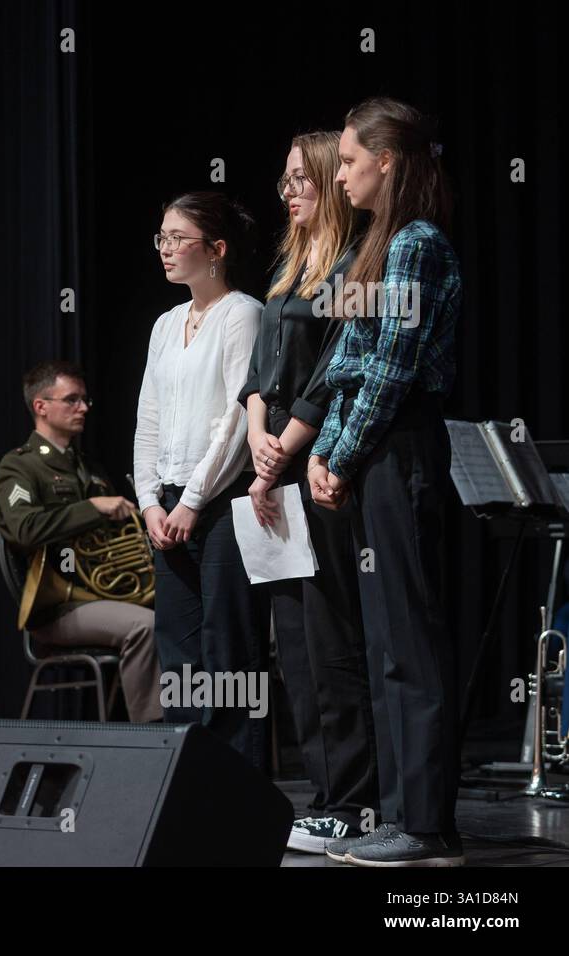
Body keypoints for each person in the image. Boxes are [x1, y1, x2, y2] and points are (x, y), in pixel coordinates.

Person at [308, 98, 463, 866]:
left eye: (348, 160)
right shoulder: (380, 244)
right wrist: (325, 451)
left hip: (399, 447)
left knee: (408, 640)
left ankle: (427, 826)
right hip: (372, 448)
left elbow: (393, 369)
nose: (340, 175)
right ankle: (401, 815)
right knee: (383, 641)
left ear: (388, 161)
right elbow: (343, 361)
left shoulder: (417, 244)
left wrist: (338, 455)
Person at [238, 132, 379, 853]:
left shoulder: (353, 267)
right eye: (285, 180)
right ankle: (323, 792)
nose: (289, 192)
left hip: (314, 468)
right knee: (292, 643)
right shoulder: (290, 268)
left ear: (330, 182)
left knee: (329, 640)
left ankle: (352, 801)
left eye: (302, 180)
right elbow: (260, 375)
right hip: (272, 468)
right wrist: (257, 432)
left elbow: (331, 378)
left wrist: (279, 453)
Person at [133, 191, 268, 769]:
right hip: (168, 502)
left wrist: (191, 500)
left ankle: (237, 783)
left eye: (176, 238)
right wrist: (148, 501)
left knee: (229, 648)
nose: (164, 249)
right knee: (178, 648)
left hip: (222, 502)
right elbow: (149, 417)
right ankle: (185, 773)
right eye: (160, 237)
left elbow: (238, 417)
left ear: (215, 250)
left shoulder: (243, 313)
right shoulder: (166, 324)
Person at [0, 360, 161, 723]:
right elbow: (24, 530)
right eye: (72, 400)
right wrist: (92, 508)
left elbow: (124, 537)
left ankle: (197, 727)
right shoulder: (19, 467)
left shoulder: (90, 467)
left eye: (85, 400)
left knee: (184, 612)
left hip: (106, 596)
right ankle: (154, 738)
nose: (83, 407)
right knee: (145, 627)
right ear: (41, 406)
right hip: (58, 607)